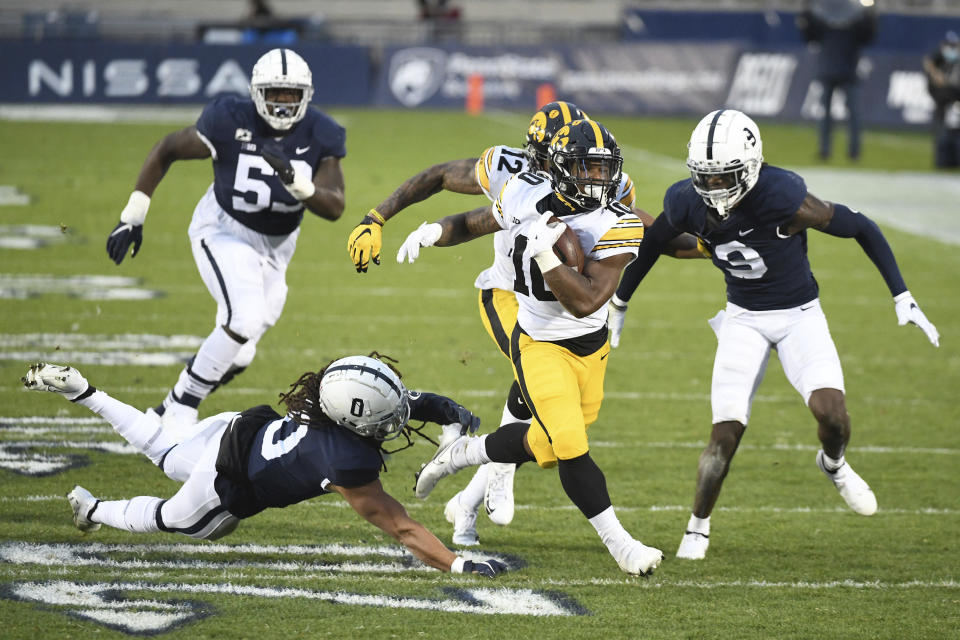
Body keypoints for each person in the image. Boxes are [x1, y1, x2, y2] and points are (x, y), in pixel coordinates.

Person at [348, 102, 692, 547]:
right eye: (552, 159)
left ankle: (473, 485)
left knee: (547, 427)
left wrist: (707, 242)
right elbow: (441, 180)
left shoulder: (602, 183)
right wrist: (378, 218)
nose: (571, 172)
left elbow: (640, 228)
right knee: (534, 381)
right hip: (508, 294)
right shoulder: (512, 174)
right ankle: (498, 472)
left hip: (572, 306)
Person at [609, 109, 940, 560]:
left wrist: (901, 294)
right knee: (724, 433)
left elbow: (860, 225)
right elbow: (653, 242)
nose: (713, 189)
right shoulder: (687, 200)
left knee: (833, 416)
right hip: (743, 317)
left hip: (799, 315)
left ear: (749, 168)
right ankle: (698, 525)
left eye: (724, 177)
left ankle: (834, 464)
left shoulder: (784, 198)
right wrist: (621, 302)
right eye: (705, 178)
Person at [407, 118, 663, 576]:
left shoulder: (618, 220)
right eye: (588, 169)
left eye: (605, 170)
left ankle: (464, 454)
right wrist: (435, 231)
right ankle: (622, 547)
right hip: (539, 343)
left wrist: (546, 255)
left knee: (542, 445)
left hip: (591, 347)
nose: (600, 180)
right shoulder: (523, 194)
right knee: (569, 446)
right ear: (562, 170)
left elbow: (586, 302)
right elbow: (474, 222)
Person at [21, 357, 507, 579]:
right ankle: (93, 509)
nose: (395, 421)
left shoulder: (332, 391)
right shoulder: (346, 461)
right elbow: (401, 527)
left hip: (237, 429)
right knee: (181, 522)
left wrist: (451, 412)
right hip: (232, 479)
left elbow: (405, 401)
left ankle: (83, 391)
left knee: (167, 453)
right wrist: (457, 563)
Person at [106, 48, 346, 433]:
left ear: (307, 96)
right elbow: (167, 148)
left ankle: (162, 411)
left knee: (242, 349)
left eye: (291, 95)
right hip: (223, 228)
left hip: (278, 246)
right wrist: (133, 215)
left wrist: (296, 181)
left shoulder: (322, 131)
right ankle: (183, 411)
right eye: (275, 94)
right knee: (243, 318)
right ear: (256, 93)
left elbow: (335, 206)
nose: (283, 103)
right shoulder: (228, 119)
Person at [796, 0, 876, 160]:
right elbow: (868, 37)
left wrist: (805, 15)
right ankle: (843, 151)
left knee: (844, 113)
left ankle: (841, 151)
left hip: (839, 71)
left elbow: (809, 35)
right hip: (840, 71)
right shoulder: (851, 20)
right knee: (844, 113)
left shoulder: (835, 20)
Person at [923, 30, 960, 168]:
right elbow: (928, 64)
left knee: (953, 134)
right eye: (948, 45)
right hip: (943, 104)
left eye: (954, 45)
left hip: (955, 103)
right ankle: (942, 162)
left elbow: (948, 84)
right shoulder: (938, 58)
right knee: (941, 134)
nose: (951, 48)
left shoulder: (957, 62)